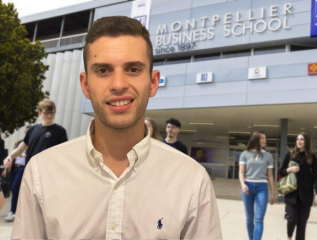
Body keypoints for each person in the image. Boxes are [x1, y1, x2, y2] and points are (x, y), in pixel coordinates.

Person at [11, 16, 222, 239]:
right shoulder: (41, 173)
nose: (118, 84)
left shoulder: (191, 179)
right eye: (103, 70)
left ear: (152, 82)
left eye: (132, 69)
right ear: (86, 85)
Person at [279, 132, 317, 240]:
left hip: (306, 195)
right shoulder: (290, 155)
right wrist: (290, 170)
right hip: (291, 193)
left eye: (302, 139)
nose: (299, 141)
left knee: (302, 224)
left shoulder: (312, 157)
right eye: (298, 139)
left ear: (306, 142)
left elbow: (316, 177)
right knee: (292, 220)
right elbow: (280, 172)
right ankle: (289, 236)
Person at [3, 99, 68, 168]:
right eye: (46, 113)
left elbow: (64, 153)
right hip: (30, 170)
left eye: (52, 113)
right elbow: (20, 149)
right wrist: (9, 157)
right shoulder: (32, 129)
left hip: (49, 171)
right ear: (39, 113)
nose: (49, 116)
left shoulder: (60, 131)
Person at [239, 131, 275, 240]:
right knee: (250, 219)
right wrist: (243, 184)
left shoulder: (268, 156)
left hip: (262, 188)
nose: (265, 140)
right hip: (247, 187)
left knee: (259, 219)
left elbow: (270, 176)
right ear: (256, 139)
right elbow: (241, 172)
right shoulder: (245, 154)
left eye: (265, 138)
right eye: (262, 138)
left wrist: (273, 192)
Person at [2, 125, 32, 222]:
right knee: (16, 190)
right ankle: (15, 212)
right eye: (26, 131)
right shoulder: (20, 142)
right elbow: (13, 154)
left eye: (29, 131)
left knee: (15, 188)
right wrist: (6, 168)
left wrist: (23, 154)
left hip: (23, 168)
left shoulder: (32, 142)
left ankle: (13, 212)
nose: (27, 133)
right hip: (14, 168)